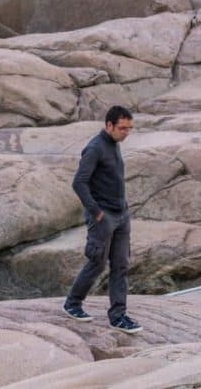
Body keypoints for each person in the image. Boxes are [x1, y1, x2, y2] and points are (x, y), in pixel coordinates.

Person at [63, 105, 142, 334]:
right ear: (109, 125)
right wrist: (96, 212)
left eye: (129, 129)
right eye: (122, 128)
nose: (126, 133)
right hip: (103, 216)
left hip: (121, 214)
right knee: (97, 263)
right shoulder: (95, 148)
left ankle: (118, 316)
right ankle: (73, 303)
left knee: (121, 265)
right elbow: (79, 182)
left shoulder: (114, 145)